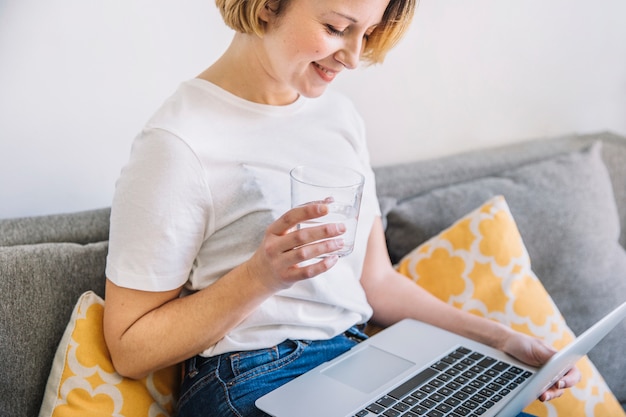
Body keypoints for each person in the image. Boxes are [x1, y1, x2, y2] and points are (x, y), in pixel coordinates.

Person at [102, 0, 581, 415]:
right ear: (269, 4)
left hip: (360, 358)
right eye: (336, 28)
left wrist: (501, 341)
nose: (353, 57)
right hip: (252, 377)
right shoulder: (178, 142)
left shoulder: (339, 117)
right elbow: (129, 346)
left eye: (367, 33)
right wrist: (260, 276)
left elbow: (376, 282)